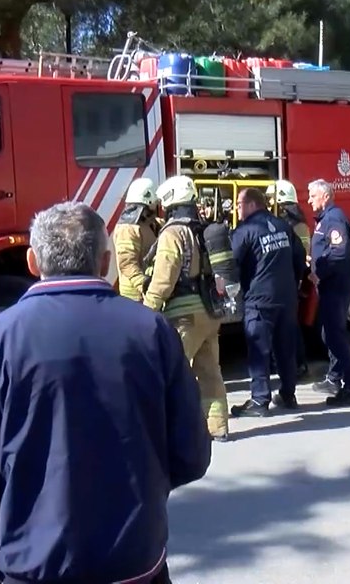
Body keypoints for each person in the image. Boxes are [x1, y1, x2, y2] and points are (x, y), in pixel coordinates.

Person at [0, 201, 211, 584]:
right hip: (134, 568)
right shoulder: (152, 332)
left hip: (32, 571)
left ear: (33, 262)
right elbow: (191, 455)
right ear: (105, 262)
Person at [143, 175, 230, 441]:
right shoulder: (201, 229)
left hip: (183, 315)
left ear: (169, 200)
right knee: (210, 372)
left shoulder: (172, 233)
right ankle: (218, 428)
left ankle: (171, 431)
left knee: (170, 373)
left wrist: (147, 309)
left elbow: (164, 278)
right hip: (209, 312)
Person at [229, 187, 308, 417]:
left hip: (259, 300)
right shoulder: (283, 226)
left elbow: (231, 262)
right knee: (285, 348)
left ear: (252, 204)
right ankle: (287, 394)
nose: (237, 208)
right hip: (286, 298)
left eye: (239, 204)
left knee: (258, 349)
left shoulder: (245, 230)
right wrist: (293, 283)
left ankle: (259, 400)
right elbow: (299, 256)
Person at [306, 179, 350, 406]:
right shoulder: (327, 219)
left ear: (325, 196)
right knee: (329, 334)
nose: (309, 200)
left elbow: (338, 254)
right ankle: (338, 379)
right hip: (333, 286)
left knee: (335, 336)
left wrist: (320, 273)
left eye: (312, 195)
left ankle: (349, 385)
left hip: (335, 287)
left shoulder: (333, 219)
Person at [268, 179, 315, 377]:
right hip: (286, 280)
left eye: (271, 200)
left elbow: (300, 256)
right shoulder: (290, 224)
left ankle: (299, 364)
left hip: (290, 280)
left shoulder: (297, 227)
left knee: (291, 326)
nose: (269, 205)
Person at [114, 177, 162, 302]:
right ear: (148, 200)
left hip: (148, 294)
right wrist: (144, 284)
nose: (157, 204)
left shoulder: (152, 224)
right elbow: (127, 263)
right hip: (134, 297)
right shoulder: (128, 228)